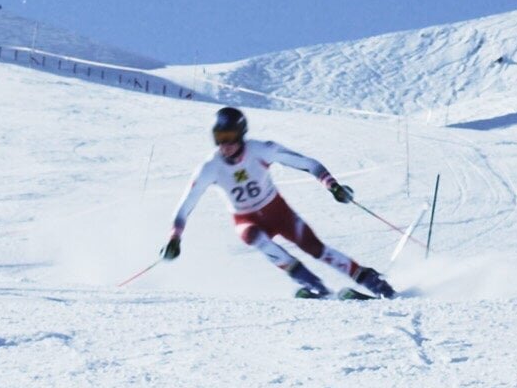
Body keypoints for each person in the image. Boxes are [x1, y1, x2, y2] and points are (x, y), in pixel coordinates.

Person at [161, 107, 397, 299]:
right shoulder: (209, 167)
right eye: (219, 139)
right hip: (246, 219)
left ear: (241, 135)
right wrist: (174, 238)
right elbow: (185, 206)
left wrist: (333, 186)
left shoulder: (261, 150)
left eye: (230, 137)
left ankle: (371, 281)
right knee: (253, 236)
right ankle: (314, 285)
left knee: (317, 249)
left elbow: (308, 164)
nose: (225, 145)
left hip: (278, 211)